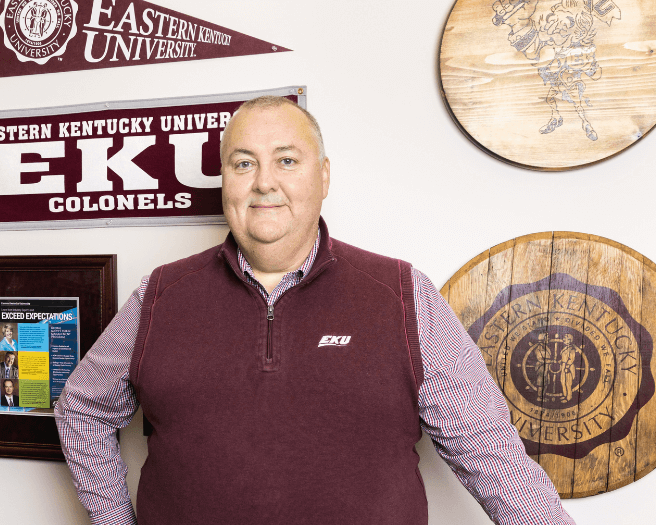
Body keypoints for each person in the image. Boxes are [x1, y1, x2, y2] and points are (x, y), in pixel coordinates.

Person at [54, 97, 575, 524]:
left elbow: (491, 456)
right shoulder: (161, 295)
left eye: (286, 160)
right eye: (243, 163)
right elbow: (81, 406)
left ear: (323, 177)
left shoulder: (402, 294)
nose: (263, 182)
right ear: (224, 181)